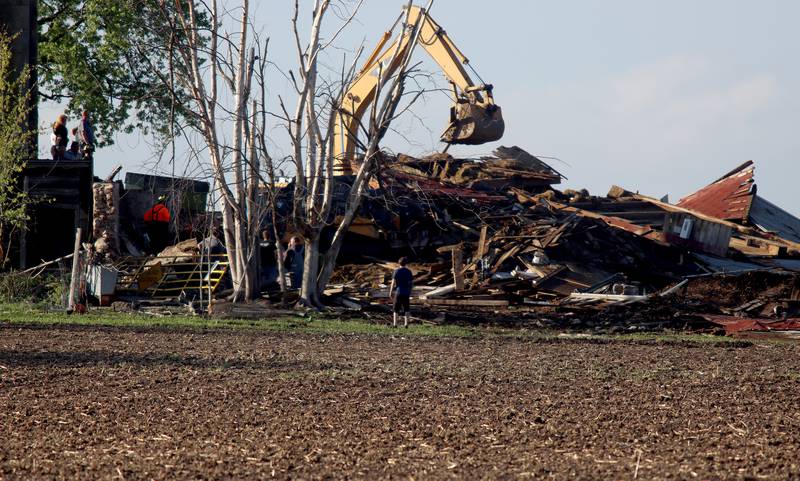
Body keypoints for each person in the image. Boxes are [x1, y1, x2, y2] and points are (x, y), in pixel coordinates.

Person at [390, 257, 413, 328]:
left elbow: (393, 282)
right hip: (406, 292)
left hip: (398, 292)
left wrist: (390, 291)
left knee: (396, 309)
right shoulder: (409, 272)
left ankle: (395, 324)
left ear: (398, 263)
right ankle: (406, 324)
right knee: (406, 308)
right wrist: (410, 291)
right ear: (406, 263)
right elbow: (410, 283)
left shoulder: (396, 271)